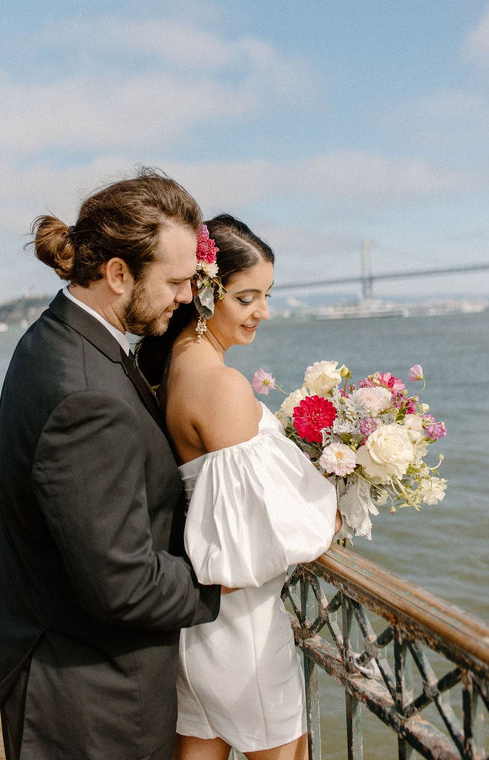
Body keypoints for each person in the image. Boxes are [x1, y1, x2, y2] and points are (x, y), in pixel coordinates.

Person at [0, 169, 221, 760]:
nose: (188, 296)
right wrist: (223, 579)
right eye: (177, 281)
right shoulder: (86, 394)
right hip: (90, 703)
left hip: (66, 672)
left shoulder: (59, 337)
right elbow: (124, 586)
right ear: (117, 274)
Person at [137, 214, 341, 760]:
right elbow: (267, 531)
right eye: (248, 297)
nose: (263, 312)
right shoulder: (222, 387)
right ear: (205, 294)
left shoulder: (174, 370)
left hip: (197, 632)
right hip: (244, 630)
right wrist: (336, 508)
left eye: (267, 296)